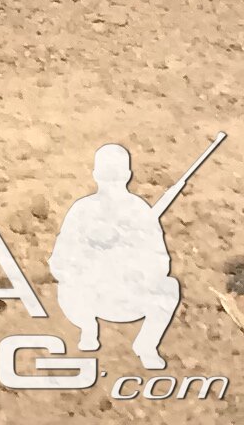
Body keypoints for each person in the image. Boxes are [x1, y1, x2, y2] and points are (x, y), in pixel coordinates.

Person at [49, 144, 182, 370]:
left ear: (95, 175)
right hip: (111, 300)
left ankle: (97, 332)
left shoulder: (83, 209)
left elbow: (58, 262)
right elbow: (162, 265)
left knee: (66, 284)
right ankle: (139, 343)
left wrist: (126, 263)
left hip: (103, 300)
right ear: (128, 175)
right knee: (169, 288)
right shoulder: (137, 210)